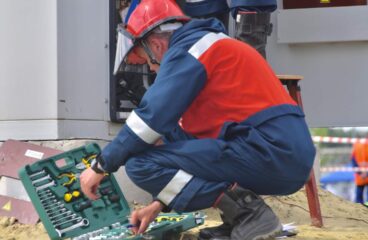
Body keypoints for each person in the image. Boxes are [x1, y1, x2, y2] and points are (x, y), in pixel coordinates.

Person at [80, 0, 315, 239]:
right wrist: (159, 205)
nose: (152, 70)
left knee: (140, 165)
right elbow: (189, 154)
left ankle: (251, 215)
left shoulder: (192, 51)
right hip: (276, 151)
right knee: (171, 135)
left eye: (148, 61)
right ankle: (238, 218)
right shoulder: (207, 46)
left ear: (156, 44)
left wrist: (100, 166)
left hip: (271, 152)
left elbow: (149, 120)